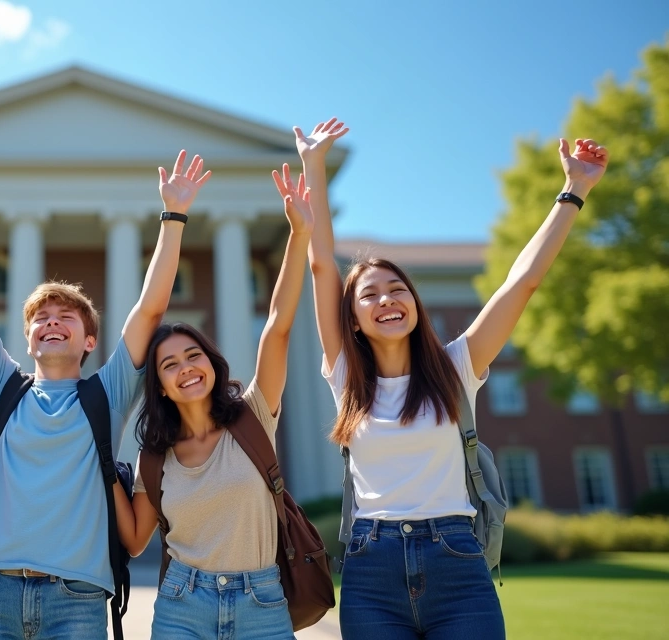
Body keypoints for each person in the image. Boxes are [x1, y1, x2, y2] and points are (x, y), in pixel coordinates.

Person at [301, 117, 608, 639]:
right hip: (370, 567)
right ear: (352, 318)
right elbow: (322, 269)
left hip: (457, 561)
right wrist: (314, 166)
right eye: (370, 295)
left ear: (415, 304)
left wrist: (573, 190)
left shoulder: (457, 366)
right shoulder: (347, 376)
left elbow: (522, 282)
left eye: (397, 289)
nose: (387, 300)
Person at [0, 138, 207, 639]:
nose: (51, 322)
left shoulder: (105, 394)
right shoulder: (3, 388)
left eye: (66, 317)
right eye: (40, 318)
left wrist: (173, 218)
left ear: (89, 340)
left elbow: (150, 309)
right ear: (27, 339)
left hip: (77, 598)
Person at [112, 162, 314, 640]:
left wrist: (299, 232)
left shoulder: (253, 416)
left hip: (263, 599)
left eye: (193, 355)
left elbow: (278, 326)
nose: (186, 368)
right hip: (183, 603)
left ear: (212, 362)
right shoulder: (155, 457)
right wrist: (101, 465)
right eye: (169, 364)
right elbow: (136, 540)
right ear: (160, 385)